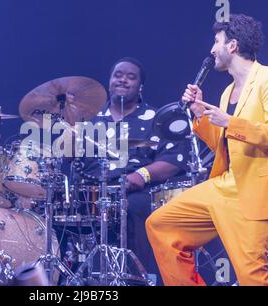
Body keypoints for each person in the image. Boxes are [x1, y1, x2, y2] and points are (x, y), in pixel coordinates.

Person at [146, 14, 268, 286]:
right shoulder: (229, 91)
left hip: (255, 190)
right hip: (225, 185)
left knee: (252, 275)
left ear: (233, 46)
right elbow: (224, 144)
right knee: (161, 225)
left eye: (216, 42)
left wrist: (230, 121)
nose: (212, 49)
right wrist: (200, 113)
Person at [73, 57, 189, 281]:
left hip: (136, 193)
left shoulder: (155, 119)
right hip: (93, 195)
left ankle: (138, 278)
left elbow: (174, 160)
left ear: (140, 86)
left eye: (130, 77)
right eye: (118, 75)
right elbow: (73, 162)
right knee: (63, 209)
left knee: (137, 206)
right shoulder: (90, 121)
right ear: (109, 81)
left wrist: (143, 175)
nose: (123, 80)